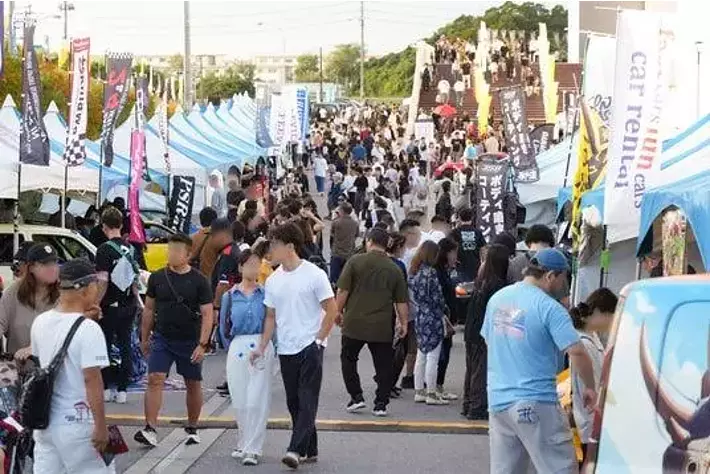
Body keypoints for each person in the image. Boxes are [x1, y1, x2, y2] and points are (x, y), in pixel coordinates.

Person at [482, 248, 598, 474]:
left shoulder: (497, 300)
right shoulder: (549, 308)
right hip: (537, 401)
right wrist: (590, 387)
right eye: (564, 278)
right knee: (560, 468)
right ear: (551, 276)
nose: (564, 284)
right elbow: (577, 352)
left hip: (498, 401)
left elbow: (489, 341)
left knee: (506, 470)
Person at [250, 222, 337, 470]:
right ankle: (310, 448)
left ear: (290, 247)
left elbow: (331, 310)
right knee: (294, 402)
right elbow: (270, 316)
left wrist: (319, 340)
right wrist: (262, 346)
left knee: (307, 398)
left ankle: (295, 449)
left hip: (310, 344)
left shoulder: (314, 274)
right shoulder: (274, 280)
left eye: (275, 244)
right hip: (286, 347)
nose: (271, 249)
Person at [31, 259, 112, 474]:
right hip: (79, 423)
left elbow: (42, 364)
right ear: (85, 289)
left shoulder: (40, 322)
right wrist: (101, 426)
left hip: (45, 423)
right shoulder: (89, 329)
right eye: (95, 285)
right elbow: (92, 379)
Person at [136, 233, 214, 448]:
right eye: (169, 249)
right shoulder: (157, 278)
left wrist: (203, 344)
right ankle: (150, 428)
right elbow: (149, 309)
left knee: (192, 383)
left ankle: (192, 426)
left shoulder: (199, 281)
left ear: (188, 255)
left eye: (177, 251)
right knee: (155, 378)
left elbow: (207, 313)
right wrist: (144, 338)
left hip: (189, 340)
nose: (171, 254)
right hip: (162, 337)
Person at [336, 228, 409, 417]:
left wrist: (337, 312)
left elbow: (343, 291)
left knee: (349, 358)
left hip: (354, 323)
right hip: (381, 325)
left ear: (369, 241)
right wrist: (403, 323)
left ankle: (356, 397)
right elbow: (401, 301)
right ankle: (381, 404)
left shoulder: (355, 262)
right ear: (387, 244)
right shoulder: (394, 268)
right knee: (383, 364)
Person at [221, 250, 273, 466]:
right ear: (241, 267)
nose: (253, 268)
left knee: (256, 400)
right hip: (238, 344)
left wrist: (264, 345)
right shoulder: (229, 296)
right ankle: (243, 441)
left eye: (256, 264)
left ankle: (253, 448)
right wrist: (230, 347)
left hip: (260, 343)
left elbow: (271, 320)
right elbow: (223, 327)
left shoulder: (266, 294)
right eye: (249, 264)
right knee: (240, 398)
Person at [95, 207, 139, 405]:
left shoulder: (103, 250)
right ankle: (122, 390)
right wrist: (138, 302)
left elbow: (103, 281)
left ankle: (105, 388)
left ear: (104, 226)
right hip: (128, 304)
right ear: (121, 225)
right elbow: (135, 281)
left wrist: (95, 303)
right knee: (125, 346)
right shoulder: (132, 249)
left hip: (109, 306)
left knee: (103, 346)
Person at [569, 288, 618, 463]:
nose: (613, 322)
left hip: (592, 421)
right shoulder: (585, 343)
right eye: (611, 316)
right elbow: (595, 386)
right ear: (598, 312)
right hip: (591, 421)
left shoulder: (591, 337)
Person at [462, 243, 509, 420]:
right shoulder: (497, 284)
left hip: (471, 329)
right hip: (483, 331)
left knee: (471, 368)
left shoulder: (481, 279)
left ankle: (468, 403)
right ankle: (477, 406)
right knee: (480, 370)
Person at [0, 244, 59, 358]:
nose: (53, 268)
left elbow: (69, 332)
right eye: (45, 264)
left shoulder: (65, 293)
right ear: (31, 268)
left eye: (55, 263)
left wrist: (35, 348)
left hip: (56, 366)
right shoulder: (12, 293)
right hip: (20, 366)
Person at [408, 241, 449, 405]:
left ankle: (419, 390)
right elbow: (438, 297)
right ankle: (431, 393)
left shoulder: (414, 271)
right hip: (433, 316)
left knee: (421, 354)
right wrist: (444, 309)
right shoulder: (431, 273)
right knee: (433, 356)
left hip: (420, 315)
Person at [508, 224, 570, 307]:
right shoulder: (557, 262)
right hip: (548, 310)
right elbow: (565, 300)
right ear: (550, 241)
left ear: (528, 242)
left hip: (517, 310)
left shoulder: (514, 262)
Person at [433, 237, 459, 401]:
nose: (456, 256)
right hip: (441, 318)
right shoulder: (437, 272)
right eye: (454, 253)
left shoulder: (444, 270)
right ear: (446, 253)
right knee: (440, 354)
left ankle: (437, 386)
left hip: (446, 317)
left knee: (443, 353)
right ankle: (436, 386)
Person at [450, 207, 487, 282]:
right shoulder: (478, 232)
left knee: (462, 287)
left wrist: (453, 262)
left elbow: (452, 248)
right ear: (472, 218)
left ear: (459, 218)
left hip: (460, 266)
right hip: (475, 266)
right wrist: (484, 264)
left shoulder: (455, 232)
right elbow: (483, 250)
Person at [329, 202, 359, 285]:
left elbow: (332, 235)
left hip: (337, 253)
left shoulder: (336, 222)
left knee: (334, 279)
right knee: (346, 279)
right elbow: (356, 235)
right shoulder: (355, 223)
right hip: (349, 253)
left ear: (342, 211)